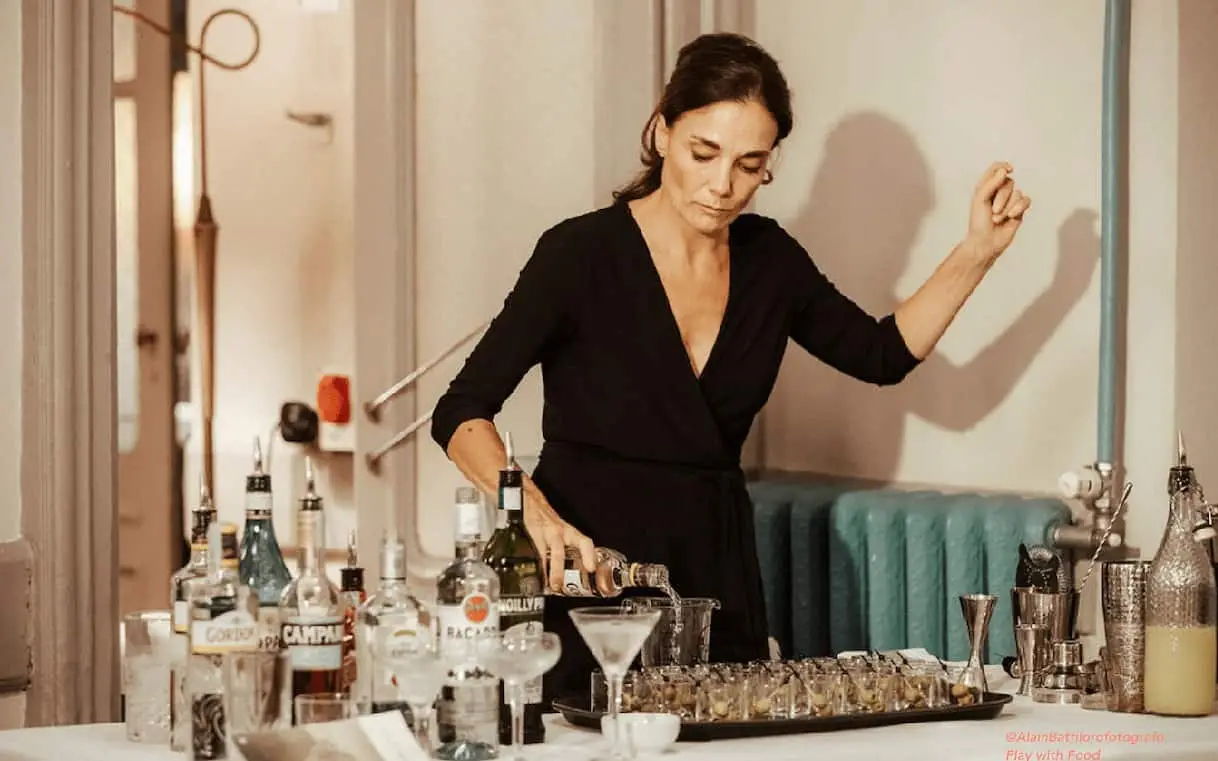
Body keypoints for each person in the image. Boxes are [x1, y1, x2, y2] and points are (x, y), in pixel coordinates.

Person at [429, 31, 1030, 701]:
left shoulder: (770, 261)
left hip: (714, 577)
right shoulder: (578, 254)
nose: (723, 186)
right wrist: (532, 514)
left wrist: (978, 251)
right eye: (703, 153)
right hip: (590, 576)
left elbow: (881, 355)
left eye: (749, 164)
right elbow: (460, 411)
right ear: (662, 132)